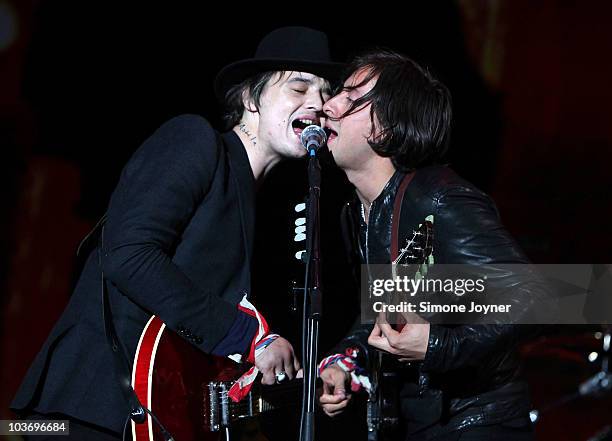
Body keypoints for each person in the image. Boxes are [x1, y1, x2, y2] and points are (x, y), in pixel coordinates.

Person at [11, 26, 342, 440]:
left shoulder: (258, 201)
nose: (319, 103)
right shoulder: (194, 139)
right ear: (248, 99)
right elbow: (128, 252)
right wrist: (246, 335)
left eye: (326, 93)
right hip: (88, 408)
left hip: (149, 416)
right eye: (299, 88)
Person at [318, 50, 539, 440]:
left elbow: (529, 293)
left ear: (385, 129)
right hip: (419, 423)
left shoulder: (438, 196)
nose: (328, 104)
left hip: (477, 422)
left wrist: (438, 345)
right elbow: (382, 309)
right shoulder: (356, 212)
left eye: (351, 98)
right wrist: (347, 360)